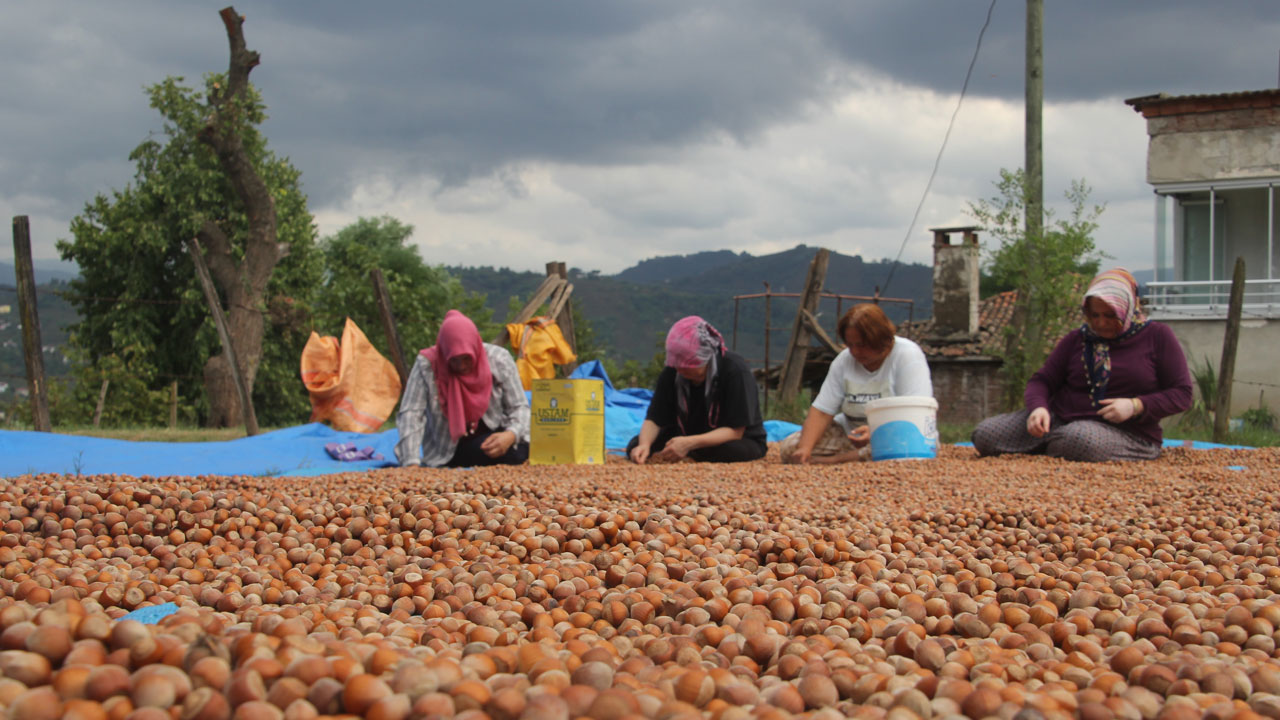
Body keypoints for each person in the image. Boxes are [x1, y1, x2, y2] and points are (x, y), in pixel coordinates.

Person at [971, 268, 1192, 462]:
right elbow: (1042, 381)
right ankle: (1055, 446)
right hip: (1061, 420)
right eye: (1094, 315)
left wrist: (1135, 405)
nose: (1101, 322)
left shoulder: (1158, 336)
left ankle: (1052, 447)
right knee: (986, 434)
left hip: (1127, 432)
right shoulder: (1077, 339)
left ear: (1127, 309)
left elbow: (1182, 394)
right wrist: (1038, 408)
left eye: (1110, 315)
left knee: (1080, 439)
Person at [781, 303, 932, 464]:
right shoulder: (844, 360)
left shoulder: (907, 356)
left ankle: (836, 460)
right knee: (790, 447)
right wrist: (805, 448)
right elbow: (822, 411)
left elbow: (916, 413)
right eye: (850, 345)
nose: (855, 352)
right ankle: (855, 456)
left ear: (880, 340)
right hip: (852, 434)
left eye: (861, 345)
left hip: (899, 433)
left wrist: (876, 432)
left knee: (896, 448)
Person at [395, 310, 531, 468]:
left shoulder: (498, 360)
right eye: (454, 360)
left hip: (495, 436)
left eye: (467, 358)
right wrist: (411, 462)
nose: (461, 366)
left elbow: (519, 406)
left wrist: (511, 434)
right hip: (449, 448)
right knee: (488, 453)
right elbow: (411, 413)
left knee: (524, 449)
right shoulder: (427, 365)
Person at [627, 316, 767, 464]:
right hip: (687, 432)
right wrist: (644, 444)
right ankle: (689, 451)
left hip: (736, 437)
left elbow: (735, 431)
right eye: (678, 366)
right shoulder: (672, 372)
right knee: (635, 444)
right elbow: (655, 419)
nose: (681, 371)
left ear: (705, 359)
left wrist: (690, 443)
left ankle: (692, 452)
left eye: (688, 366)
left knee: (727, 451)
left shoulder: (735, 371)